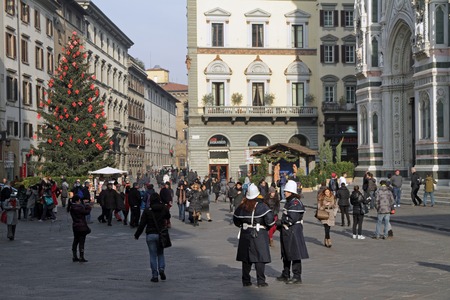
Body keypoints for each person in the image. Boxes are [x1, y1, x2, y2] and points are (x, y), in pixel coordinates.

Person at [233, 183, 274, 287]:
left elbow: (236, 220)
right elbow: (269, 221)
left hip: (245, 233)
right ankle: (261, 281)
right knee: (259, 258)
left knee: (246, 259)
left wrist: (243, 226)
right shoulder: (262, 207)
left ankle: (246, 280)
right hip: (258, 234)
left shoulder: (242, 206)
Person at [275, 180, 309, 284]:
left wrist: (281, 222)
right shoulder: (289, 202)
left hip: (293, 231)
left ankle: (297, 276)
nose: (284, 192)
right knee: (286, 253)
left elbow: (292, 218)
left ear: (291, 192)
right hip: (287, 231)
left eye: (286, 191)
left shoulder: (295, 203)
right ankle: (286, 273)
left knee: (295, 254)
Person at [134, 193, 171, 283]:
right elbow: (168, 217)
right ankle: (161, 269)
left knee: (152, 255)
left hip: (150, 234)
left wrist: (137, 234)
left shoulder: (147, 210)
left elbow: (142, 224)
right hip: (161, 234)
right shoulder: (164, 208)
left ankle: (154, 275)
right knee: (161, 253)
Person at [68, 195, 91, 262]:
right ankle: (81, 256)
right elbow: (86, 212)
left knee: (75, 241)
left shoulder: (72, 207)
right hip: (81, 226)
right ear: (77, 200)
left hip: (75, 226)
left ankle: (74, 256)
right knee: (81, 242)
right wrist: (87, 206)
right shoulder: (78, 207)